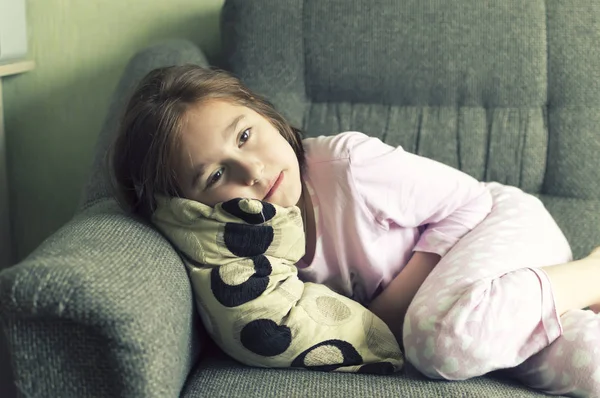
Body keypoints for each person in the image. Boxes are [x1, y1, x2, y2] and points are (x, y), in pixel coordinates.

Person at [109, 64, 600, 397]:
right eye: (215, 176)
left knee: (437, 343)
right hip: (484, 307)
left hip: (500, 226)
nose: (253, 173)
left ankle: (593, 271)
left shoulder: (349, 167)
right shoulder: (243, 252)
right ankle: (571, 302)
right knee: (585, 363)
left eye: (244, 135)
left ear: (263, 112)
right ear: (188, 210)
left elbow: (468, 202)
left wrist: (385, 314)